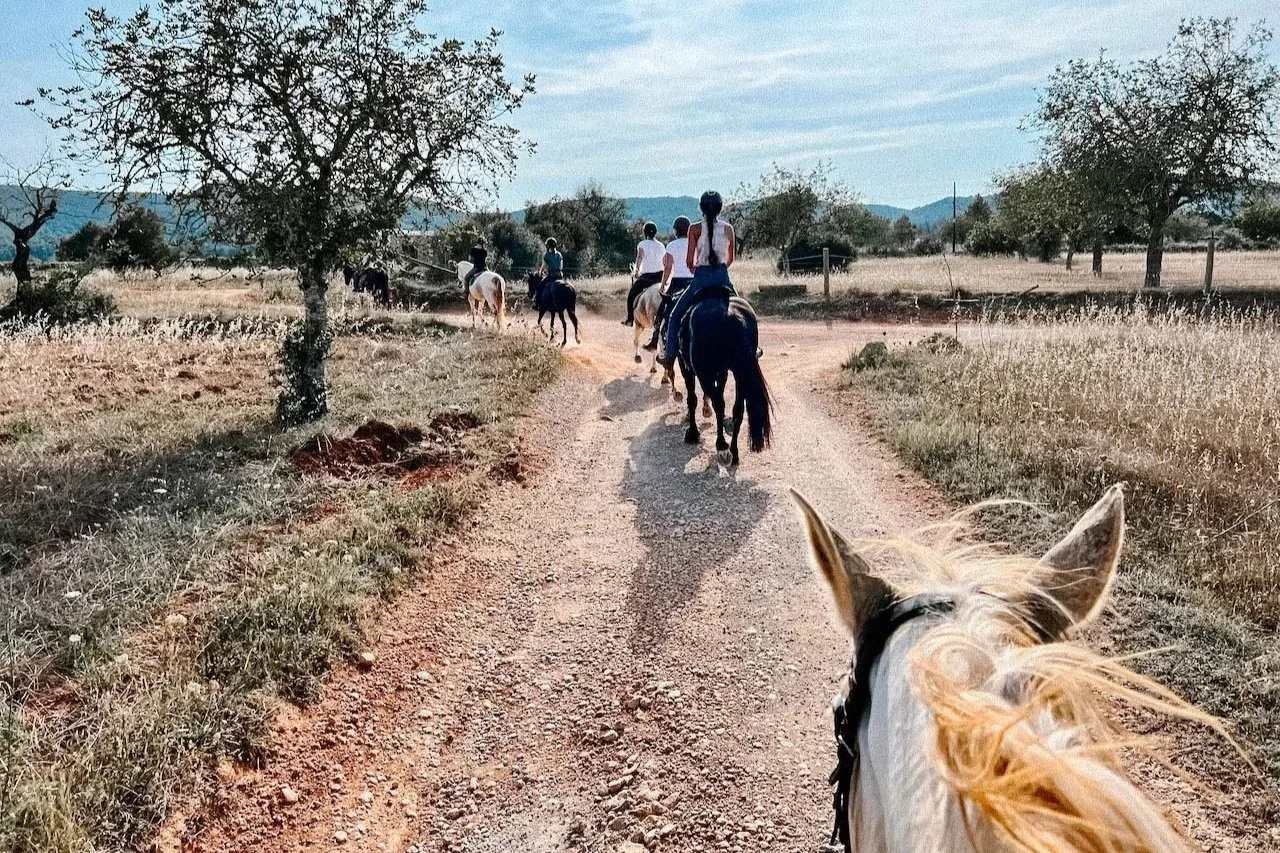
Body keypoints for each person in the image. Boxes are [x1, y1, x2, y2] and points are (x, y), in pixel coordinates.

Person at [658, 191, 735, 368]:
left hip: (701, 279)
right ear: (720, 208)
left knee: (675, 315)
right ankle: (753, 350)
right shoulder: (728, 228)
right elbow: (731, 259)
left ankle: (669, 356)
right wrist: (720, 269)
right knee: (743, 308)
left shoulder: (694, 228)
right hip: (722, 277)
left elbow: (689, 260)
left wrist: (695, 268)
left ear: (701, 208)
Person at [644, 216, 694, 351]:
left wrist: (662, 285)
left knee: (663, 311)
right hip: (694, 282)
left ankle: (655, 339)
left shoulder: (671, 245)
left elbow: (668, 268)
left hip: (677, 282)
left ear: (676, 231)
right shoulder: (695, 243)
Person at [623, 222, 665, 326]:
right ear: (655, 233)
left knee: (631, 295)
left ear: (644, 233)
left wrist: (636, 270)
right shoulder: (661, 245)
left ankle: (630, 319)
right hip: (660, 276)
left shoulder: (642, 244)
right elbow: (664, 260)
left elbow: (640, 257)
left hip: (647, 277)